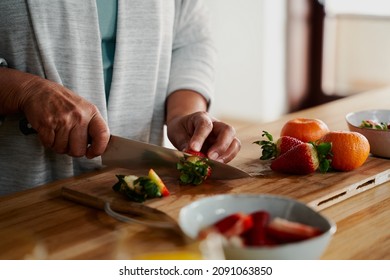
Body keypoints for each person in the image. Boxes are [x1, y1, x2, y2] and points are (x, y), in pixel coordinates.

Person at [0, 0, 240, 195]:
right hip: (16, 199)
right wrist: (24, 90)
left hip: (132, 202)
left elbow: (190, 37)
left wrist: (183, 113)